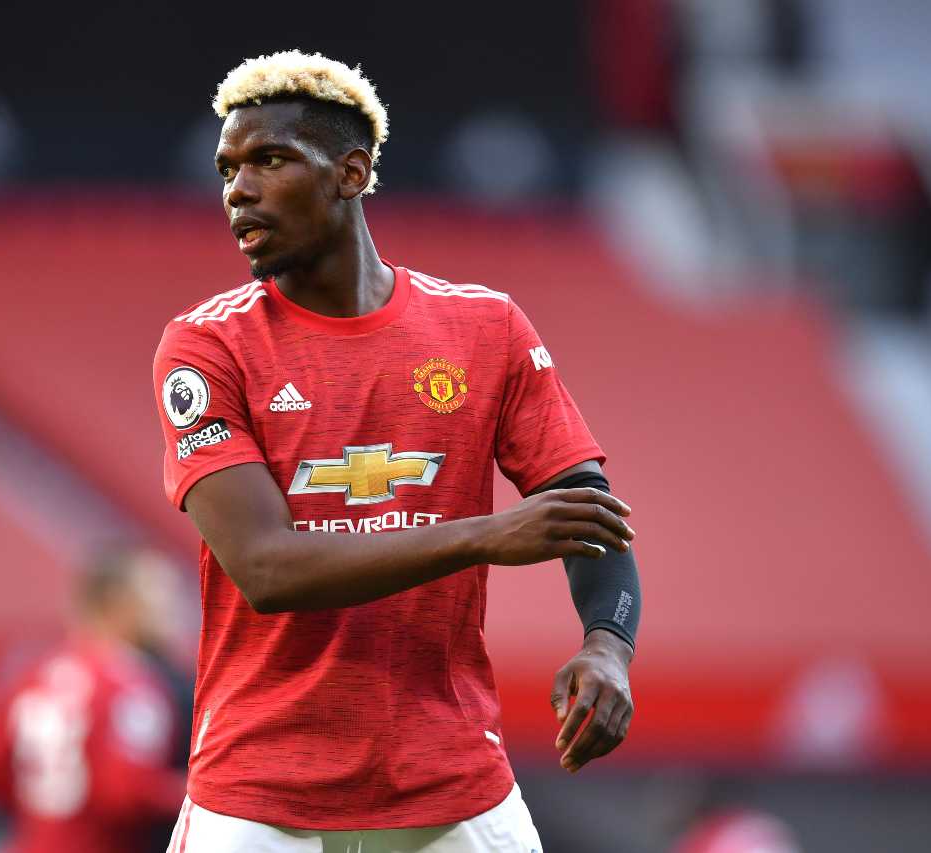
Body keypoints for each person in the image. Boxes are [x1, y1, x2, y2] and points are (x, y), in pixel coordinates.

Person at [152, 50, 643, 852]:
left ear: (351, 174)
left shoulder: (486, 328)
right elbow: (268, 570)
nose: (238, 189)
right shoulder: (206, 346)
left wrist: (608, 646)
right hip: (258, 795)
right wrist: (486, 534)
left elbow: (587, 509)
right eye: (227, 169)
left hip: (450, 782)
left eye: (269, 160)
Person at [0, 547, 188, 853]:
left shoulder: (32, 673)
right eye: (156, 598)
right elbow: (124, 789)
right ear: (119, 605)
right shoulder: (132, 685)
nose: (171, 612)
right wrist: (196, 796)